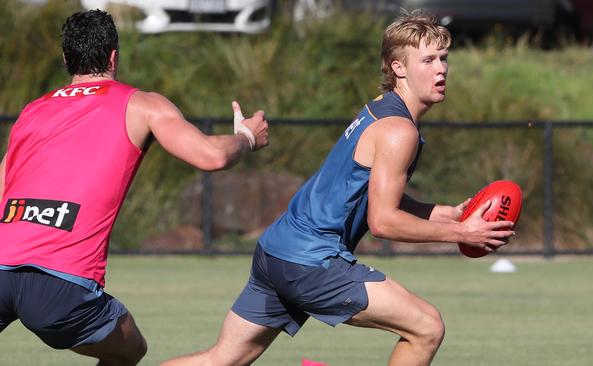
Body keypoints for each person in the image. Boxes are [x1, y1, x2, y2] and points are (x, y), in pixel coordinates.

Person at [163, 11, 514, 366]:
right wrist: (460, 231)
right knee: (427, 327)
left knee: (220, 360)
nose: (441, 69)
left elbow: (372, 193)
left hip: (277, 251)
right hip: (311, 261)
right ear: (399, 68)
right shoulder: (399, 131)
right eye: (428, 60)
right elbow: (383, 222)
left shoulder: (378, 111)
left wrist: (444, 213)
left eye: (443, 58)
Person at [0, 9, 268, 366]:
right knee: (131, 349)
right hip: (61, 285)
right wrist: (247, 137)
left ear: (66, 59)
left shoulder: (32, 111)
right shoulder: (141, 105)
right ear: (114, 56)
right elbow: (212, 156)